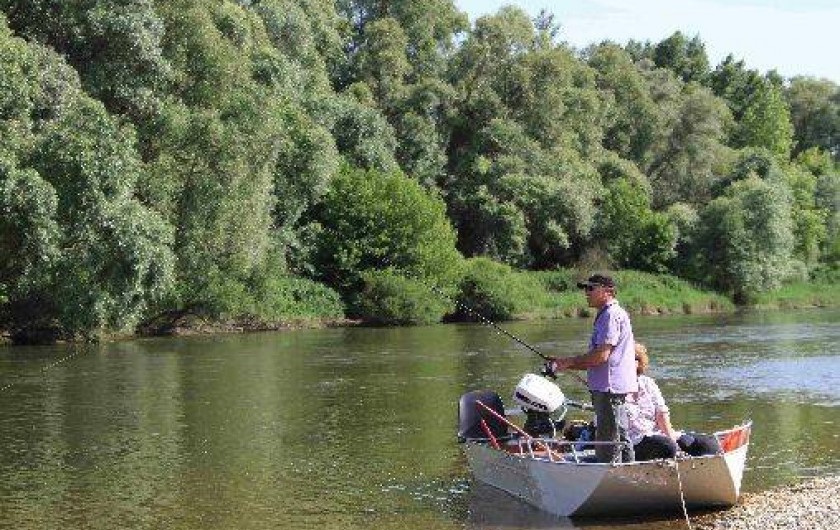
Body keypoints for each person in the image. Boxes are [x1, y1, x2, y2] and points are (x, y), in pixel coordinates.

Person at [546, 274, 637, 463]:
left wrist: (567, 363)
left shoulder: (610, 315)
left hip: (609, 388)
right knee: (619, 435)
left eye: (591, 288)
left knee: (608, 440)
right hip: (610, 387)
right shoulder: (609, 314)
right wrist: (565, 362)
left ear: (608, 291)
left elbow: (600, 356)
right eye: (585, 288)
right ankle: (629, 473)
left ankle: (613, 476)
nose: (586, 293)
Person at [628, 343, 721, 460]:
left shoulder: (647, 383)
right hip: (633, 442)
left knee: (709, 444)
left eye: (634, 359)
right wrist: (673, 445)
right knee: (668, 446)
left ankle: (703, 469)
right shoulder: (612, 390)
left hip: (657, 434)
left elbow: (661, 414)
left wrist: (673, 439)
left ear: (638, 362)